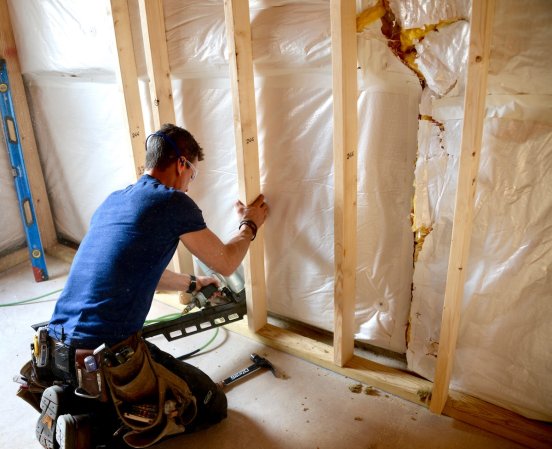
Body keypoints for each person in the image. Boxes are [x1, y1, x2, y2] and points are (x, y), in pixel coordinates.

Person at [24, 123, 268, 449]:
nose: (189, 186)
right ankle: (88, 430)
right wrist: (250, 224)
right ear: (181, 164)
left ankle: (72, 398)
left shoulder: (115, 200)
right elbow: (225, 261)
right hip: (106, 356)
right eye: (192, 176)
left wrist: (193, 283)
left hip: (56, 348)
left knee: (154, 366)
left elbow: (134, 270)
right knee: (207, 403)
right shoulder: (172, 202)